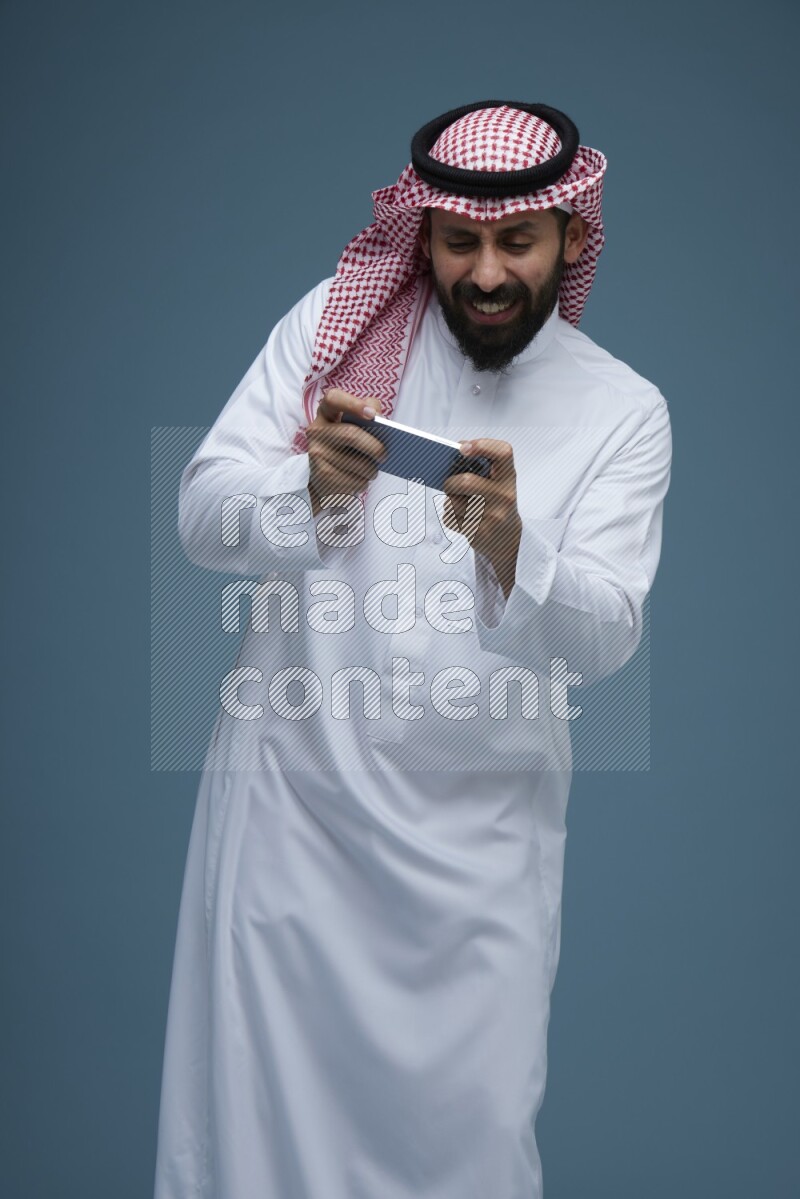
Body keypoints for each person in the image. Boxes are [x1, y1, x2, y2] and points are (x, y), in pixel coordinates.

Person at [154, 101, 672, 1199]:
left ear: (570, 236)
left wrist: (510, 548)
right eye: (457, 241)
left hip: (477, 855)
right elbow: (201, 513)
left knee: (471, 1153)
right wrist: (307, 486)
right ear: (424, 232)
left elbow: (607, 633)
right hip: (293, 826)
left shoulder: (624, 412)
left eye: (515, 242)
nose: (485, 273)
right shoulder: (334, 335)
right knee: (256, 1145)